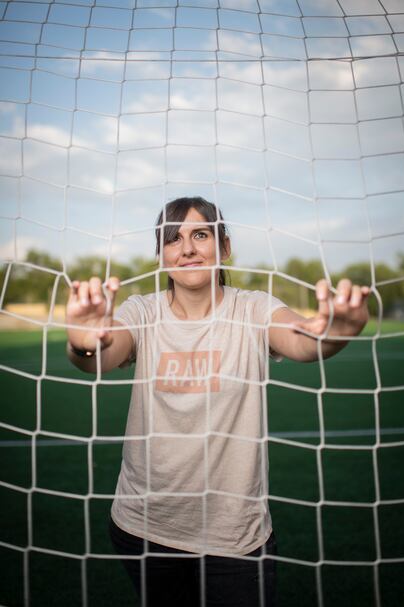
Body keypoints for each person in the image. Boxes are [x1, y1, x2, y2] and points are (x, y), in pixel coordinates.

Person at [65, 197, 370, 607]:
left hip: (235, 536)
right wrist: (82, 341)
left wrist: (336, 331)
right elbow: (102, 355)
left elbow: (301, 340)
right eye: (173, 239)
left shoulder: (252, 307)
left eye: (200, 235)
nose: (187, 248)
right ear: (161, 256)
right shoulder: (142, 311)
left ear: (224, 247)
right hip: (143, 526)